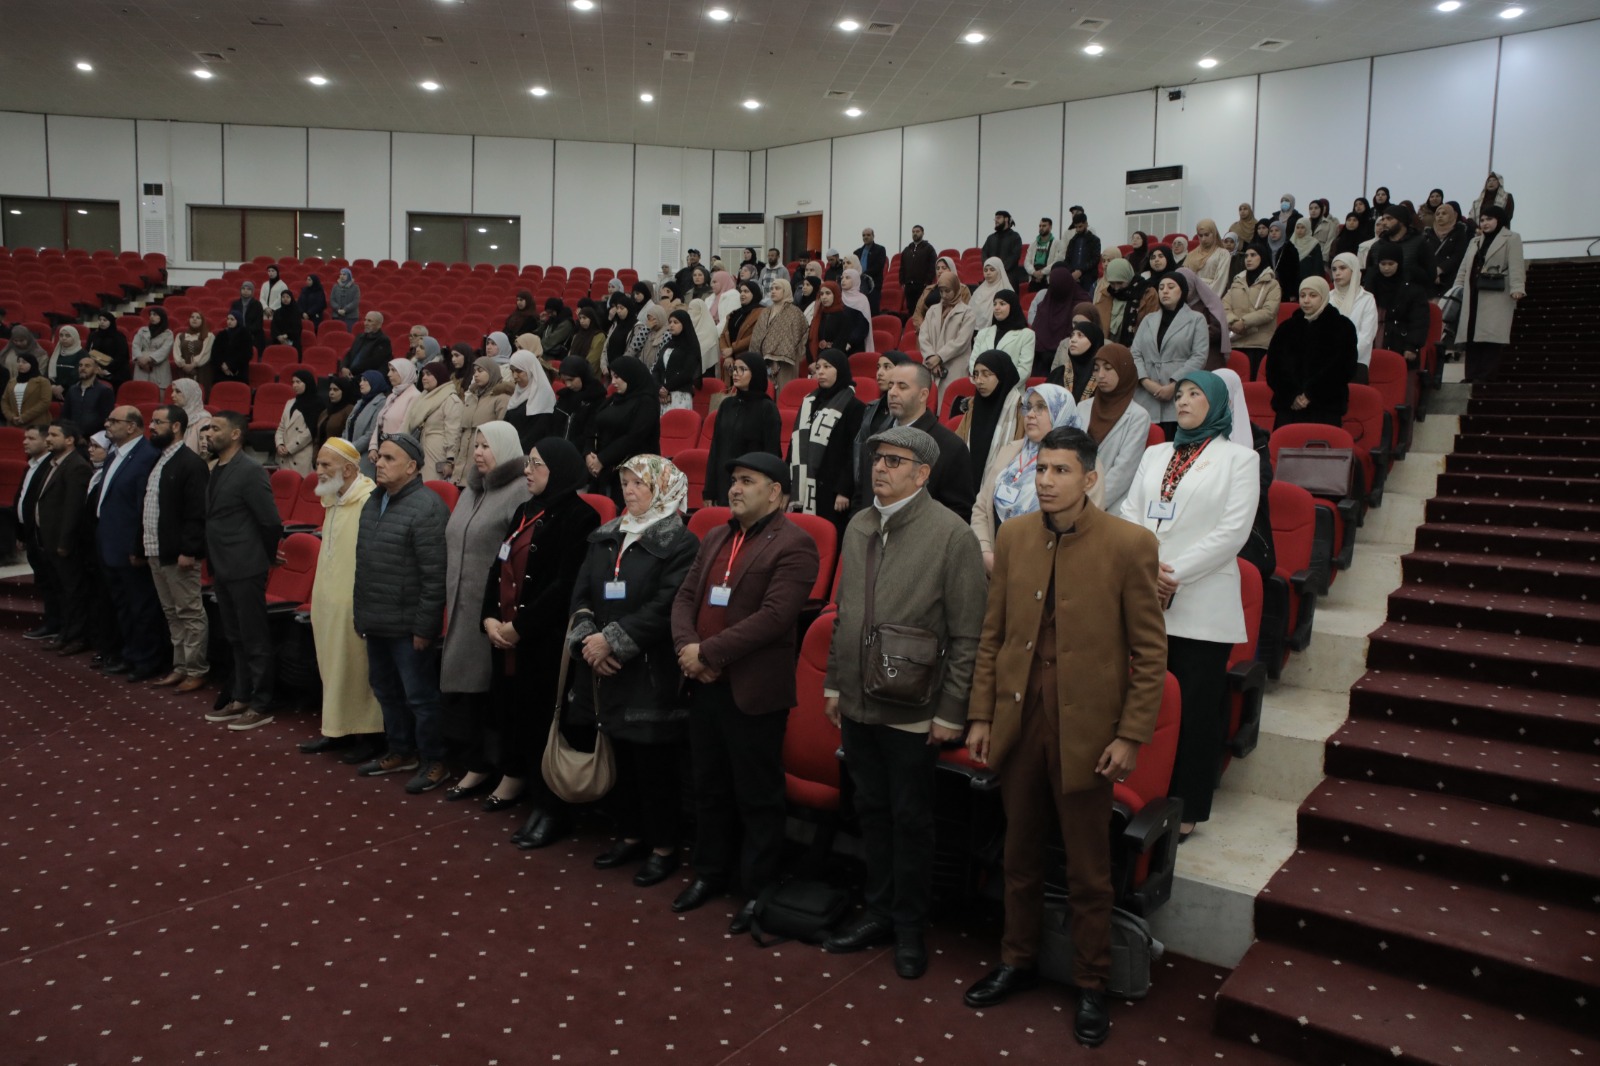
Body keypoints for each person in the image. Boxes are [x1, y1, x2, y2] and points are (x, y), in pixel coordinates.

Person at [963, 425, 1167, 1049]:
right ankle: (1017, 960)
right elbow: (994, 634)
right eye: (1042, 469)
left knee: (1088, 869)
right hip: (1019, 720)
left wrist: (1130, 735)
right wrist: (981, 715)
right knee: (1018, 854)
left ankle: (1092, 983)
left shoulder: (1130, 544)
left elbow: (1150, 654)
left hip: (1088, 731)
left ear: (1090, 477)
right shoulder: (1016, 535)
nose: (1047, 481)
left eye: (1060, 471)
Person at [817, 424, 987, 977]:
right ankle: (878, 912)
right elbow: (844, 613)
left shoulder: (952, 535)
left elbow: (968, 634)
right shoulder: (859, 524)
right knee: (871, 811)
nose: (880, 468)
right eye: (877, 459)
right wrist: (835, 683)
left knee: (911, 819)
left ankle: (910, 928)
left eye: (894, 461)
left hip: (915, 707)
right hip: (858, 701)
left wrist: (951, 710)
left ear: (922, 474)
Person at [670, 453, 818, 929]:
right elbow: (685, 598)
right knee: (709, 787)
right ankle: (710, 872)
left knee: (758, 796)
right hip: (704, 686)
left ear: (775, 493)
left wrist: (708, 654)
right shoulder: (716, 535)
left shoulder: (795, 544)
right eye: (733, 480)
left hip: (752, 692)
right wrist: (688, 649)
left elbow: (774, 618)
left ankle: (757, 890)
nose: (734, 488)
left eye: (747, 481)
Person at [1121, 371, 1258, 839]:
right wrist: (1149, 570)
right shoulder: (1155, 453)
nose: (1182, 401)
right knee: (1141, 703)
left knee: (1195, 709)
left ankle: (1187, 806)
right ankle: (1138, 793)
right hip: (1146, 594)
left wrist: (1172, 574)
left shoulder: (1239, 460)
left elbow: (1232, 533)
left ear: (1216, 403)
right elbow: (1130, 514)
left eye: (1195, 394)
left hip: (1201, 606)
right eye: (1179, 394)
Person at [563, 454, 700, 879]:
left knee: (652, 763)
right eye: (624, 482)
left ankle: (663, 845)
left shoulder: (681, 543)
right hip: (602, 666)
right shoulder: (607, 534)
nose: (629, 490)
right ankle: (629, 835)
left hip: (649, 668)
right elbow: (581, 592)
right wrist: (589, 641)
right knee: (617, 754)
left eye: (639, 483)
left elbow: (667, 604)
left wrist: (614, 642)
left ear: (662, 487)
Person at [481, 438, 604, 848]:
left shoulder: (580, 517)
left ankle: (552, 809)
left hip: (544, 643)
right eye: (528, 463)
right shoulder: (524, 510)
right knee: (515, 716)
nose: (527, 471)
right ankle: (531, 794)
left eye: (536, 464)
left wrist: (520, 627)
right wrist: (489, 618)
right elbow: (498, 568)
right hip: (508, 637)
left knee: (542, 723)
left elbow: (565, 585)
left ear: (559, 469)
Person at [438, 422, 534, 812]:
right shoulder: (471, 489)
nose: (478, 452)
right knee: (468, 694)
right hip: (461, 606)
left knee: (495, 694)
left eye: (486, 446)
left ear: (506, 448)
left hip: (497, 611)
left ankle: (508, 771)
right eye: (475, 445)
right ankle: (477, 764)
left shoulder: (520, 490)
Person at [353, 431, 451, 793]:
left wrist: (425, 628)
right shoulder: (373, 501)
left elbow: (434, 577)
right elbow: (364, 566)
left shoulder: (427, 508)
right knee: (385, 691)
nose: (378, 463)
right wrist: (361, 616)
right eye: (379, 456)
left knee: (420, 698)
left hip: (409, 627)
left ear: (411, 467)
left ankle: (434, 761)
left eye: (389, 458)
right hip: (376, 619)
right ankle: (400, 750)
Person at [299, 439, 386, 763]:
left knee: (357, 669)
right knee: (332, 666)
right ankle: (336, 729)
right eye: (318, 464)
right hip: (327, 600)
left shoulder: (368, 500)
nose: (318, 471)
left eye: (326, 465)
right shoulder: (333, 498)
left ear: (349, 469)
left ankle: (369, 735)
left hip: (354, 602)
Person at [200, 411, 282, 730]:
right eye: (208, 428)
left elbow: (270, 521)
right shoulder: (216, 468)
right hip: (222, 564)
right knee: (235, 637)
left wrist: (267, 555)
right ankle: (241, 696)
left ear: (235, 434)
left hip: (245, 564)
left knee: (254, 638)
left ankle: (261, 703)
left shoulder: (250, 470)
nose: (208, 433)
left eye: (216, 428)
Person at [970, 384, 1081, 571]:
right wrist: (985, 553)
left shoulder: (1080, 464)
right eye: (1028, 407)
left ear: (1061, 412)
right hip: (992, 567)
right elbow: (981, 507)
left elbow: (1078, 531)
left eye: (1041, 407)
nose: (1030, 414)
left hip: (1041, 572)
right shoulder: (1010, 451)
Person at [140, 406, 211, 691]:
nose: (152, 426)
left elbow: (197, 512)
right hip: (155, 549)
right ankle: (180, 666)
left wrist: (189, 550)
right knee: (172, 613)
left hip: (178, 553)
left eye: (158, 422)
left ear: (177, 427)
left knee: (189, 613)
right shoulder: (160, 460)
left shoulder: (190, 463)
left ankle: (196, 669)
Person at [97, 405, 166, 681]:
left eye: (114, 420)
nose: (107, 424)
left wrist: (138, 547)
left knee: (141, 607)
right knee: (123, 605)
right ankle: (129, 654)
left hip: (130, 547)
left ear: (132, 426)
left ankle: (146, 660)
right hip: (110, 543)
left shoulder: (146, 456)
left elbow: (143, 508)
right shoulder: (115, 454)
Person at [33, 419, 95, 657]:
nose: (48, 439)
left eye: (54, 435)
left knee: (73, 592)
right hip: (48, 540)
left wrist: (64, 542)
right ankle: (65, 633)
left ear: (69, 440)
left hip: (64, 543)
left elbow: (73, 509)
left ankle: (77, 636)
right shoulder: (53, 464)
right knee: (62, 591)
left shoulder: (77, 466)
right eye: (48, 434)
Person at [789, 348, 863, 536]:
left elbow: (853, 453)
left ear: (841, 370)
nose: (820, 372)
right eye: (818, 367)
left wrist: (844, 490)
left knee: (826, 538)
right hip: (803, 486)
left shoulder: (854, 407)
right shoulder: (809, 402)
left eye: (827, 367)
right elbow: (795, 444)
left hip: (832, 489)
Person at [1266, 276, 1358, 427]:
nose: (1306, 300)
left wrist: (1311, 394)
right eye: (1302, 295)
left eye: (1313, 295)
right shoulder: (1286, 328)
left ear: (1324, 296)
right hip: (1290, 408)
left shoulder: (1342, 327)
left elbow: (1344, 368)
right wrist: (1292, 395)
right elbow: (1274, 368)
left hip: (1326, 408)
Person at [1130, 273, 1208, 439]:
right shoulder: (1148, 319)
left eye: (1171, 287)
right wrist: (1145, 381)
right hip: (1146, 395)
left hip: (1180, 394)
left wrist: (1174, 385)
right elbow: (1135, 352)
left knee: (1174, 445)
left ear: (1183, 291)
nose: (1165, 291)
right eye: (1161, 288)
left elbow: (1199, 356)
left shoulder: (1196, 319)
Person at [1454, 205, 1526, 384]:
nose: (1485, 223)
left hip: (1496, 294)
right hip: (1473, 293)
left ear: (1499, 220)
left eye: (1489, 219)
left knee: (1491, 335)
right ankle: (1471, 374)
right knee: (1471, 335)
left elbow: (1516, 265)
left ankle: (1485, 376)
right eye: (1482, 220)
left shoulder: (1512, 238)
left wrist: (1517, 288)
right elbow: (1464, 267)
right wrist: (1457, 287)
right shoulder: (1475, 241)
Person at [1077, 343, 1150, 516]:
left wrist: (1088, 504)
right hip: (1073, 495)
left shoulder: (1138, 416)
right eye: (1096, 369)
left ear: (1124, 371)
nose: (1100, 375)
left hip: (1110, 505)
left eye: (1108, 368)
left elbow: (1123, 471)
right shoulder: (1082, 407)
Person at [704, 355, 780, 506]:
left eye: (742, 369)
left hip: (752, 486)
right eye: (734, 369)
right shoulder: (726, 405)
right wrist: (709, 491)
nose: (735, 373)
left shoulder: (767, 408)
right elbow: (715, 449)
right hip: (724, 484)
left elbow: (772, 452)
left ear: (756, 373)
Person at [587, 355, 660, 503]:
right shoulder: (614, 399)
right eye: (612, 377)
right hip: (604, 469)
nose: (613, 382)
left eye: (617, 377)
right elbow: (593, 426)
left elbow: (634, 437)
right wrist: (589, 454)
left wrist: (602, 459)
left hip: (633, 472)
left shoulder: (646, 402)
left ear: (630, 376)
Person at [956, 349, 1024, 487]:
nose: (979, 381)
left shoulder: (1022, 410)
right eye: (976, 375)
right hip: (966, 487)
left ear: (1002, 375)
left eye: (986, 374)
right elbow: (957, 446)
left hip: (1005, 488)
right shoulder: (973, 408)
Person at [1224, 245, 1281, 378]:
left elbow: (1269, 311)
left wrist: (1243, 322)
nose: (1248, 259)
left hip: (1258, 345)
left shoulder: (1272, 284)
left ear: (1262, 257)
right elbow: (1224, 306)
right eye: (1246, 256)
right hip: (1236, 342)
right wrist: (1233, 322)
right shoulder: (1237, 282)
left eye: (1253, 255)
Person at [405, 361, 463, 480]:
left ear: (439, 376)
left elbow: (453, 432)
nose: (424, 378)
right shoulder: (423, 398)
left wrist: (450, 460)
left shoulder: (451, 400)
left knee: (431, 486)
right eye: (423, 374)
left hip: (438, 455)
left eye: (429, 374)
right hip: (420, 451)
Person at [750, 278, 809, 392]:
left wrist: (781, 353)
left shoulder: (795, 313)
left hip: (785, 365)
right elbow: (757, 335)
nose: (773, 291)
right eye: (771, 289)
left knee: (782, 392)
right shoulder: (765, 312)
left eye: (777, 288)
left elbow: (801, 336)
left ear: (786, 290)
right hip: (763, 362)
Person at [969, 289, 1035, 385]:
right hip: (982, 388)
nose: (996, 307)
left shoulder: (1027, 335)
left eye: (1002, 304)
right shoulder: (983, 333)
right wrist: (983, 380)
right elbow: (973, 362)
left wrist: (999, 386)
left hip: (1011, 390)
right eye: (994, 304)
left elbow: (1024, 370)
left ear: (1012, 306)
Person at [919, 272, 975, 384]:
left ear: (956, 288)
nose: (944, 295)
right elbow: (923, 336)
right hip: (931, 366)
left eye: (947, 291)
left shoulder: (967, 312)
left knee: (951, 394)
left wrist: (939, 357)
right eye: (941, 291)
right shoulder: (932, 310)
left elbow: (962, 341)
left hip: (954, 366)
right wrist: (931, 356)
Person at [1329, 252, 1379, 376]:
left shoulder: (1366, 299)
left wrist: (1342, 357)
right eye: (1334, 269)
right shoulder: (1327, 298)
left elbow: (1366, 337)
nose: (1337, 273)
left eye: (1342, 268)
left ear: (1354, 270)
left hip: (1355, 363)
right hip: (1326, 363)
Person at [553, 354, 607, 457]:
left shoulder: (596, 398)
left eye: (571, 380)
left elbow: (591, 432)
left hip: (579, 455)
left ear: (583, 375)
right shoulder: (564, 396)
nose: (568, 385)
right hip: (557, 450)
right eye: (565, 381)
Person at [653, 309, 701, 412]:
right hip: (663, 397)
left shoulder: (691, 346)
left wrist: (667, 388)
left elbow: (687, 373)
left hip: (680, 395)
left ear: (684, 324)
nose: (671, 325)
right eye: (670, 322)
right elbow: (657, 369)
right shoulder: (667, 345)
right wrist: (659, 388)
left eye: (675, 322)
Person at [274, 369, 321, 475]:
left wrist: (290, 448)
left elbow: (310, 432)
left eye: (298, 382)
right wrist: (279, 444)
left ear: (307, 383)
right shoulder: (290, 403)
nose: (294, 385)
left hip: (301, 455)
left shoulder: (316, 403)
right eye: (293, 382)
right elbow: (281, 427)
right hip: (285, 455)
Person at [1423, 200, 1472, 297]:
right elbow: (1423, 256)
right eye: (1437, 214)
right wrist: (1432, 272)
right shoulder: (1428, 234)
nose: (1440, 216)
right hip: (1430, 281)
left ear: (1452, 215)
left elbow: (1458, 255)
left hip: (1450, 279)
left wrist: (1440, 269)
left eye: (1444, 213)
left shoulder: (1459, 232)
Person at [1091, 258, 1139, 348]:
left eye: (1120, 283)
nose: (1116, 288)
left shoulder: (1144, 294)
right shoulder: (1106, 294)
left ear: (1128, 278)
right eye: (1112, 283)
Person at [1049, 319, 1102, 400]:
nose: (1073, 340)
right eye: (1072, 336)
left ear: (1094, 341)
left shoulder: (1102, 377)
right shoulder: (1058, 374)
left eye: (1080, 335)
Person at [62, 354, 114, 435]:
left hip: (95, 436)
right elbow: (65, 415)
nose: (82, 368)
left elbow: (105, 418)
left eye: (87, 366)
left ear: (96, 370)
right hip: (73, 435)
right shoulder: (72, 390)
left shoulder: (105, 391)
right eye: (80, 365)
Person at [3, 350, 51, 428]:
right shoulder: (12, 382)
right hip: (14, 423)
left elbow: (45, 402)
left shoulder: (42, 382)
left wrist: (25, 417)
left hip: (36, 423)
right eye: (18, 362)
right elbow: (4, 401)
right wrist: (11, 416)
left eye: (24, 362)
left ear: (32, 364)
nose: (20, 364)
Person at [1184, 220, 1230, 296]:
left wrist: (1207, 297)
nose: (1203, 239)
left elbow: (1221, 280)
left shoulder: (1223, 254)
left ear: (1214, 234)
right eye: (1200, 235)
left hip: (1211, 295)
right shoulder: (1191, 255)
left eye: (1206, 235)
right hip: (1191, 295)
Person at [86, 313, 132, 388]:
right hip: (96, 369)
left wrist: (107, 369)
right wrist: (97, 368)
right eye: (100, 320)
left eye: (105, 320)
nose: (101, 322)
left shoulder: (119, 337)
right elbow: (88, 351)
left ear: (111, 322)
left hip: (115, 371)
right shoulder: (93, 335)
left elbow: (121, 356)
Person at [898, 225, 937, 314]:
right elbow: (902, 267)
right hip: (909, 286)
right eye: (913, 232)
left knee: (922, 310)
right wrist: (902, 282)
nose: (915, 233)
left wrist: (927, 282)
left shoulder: (929, 248)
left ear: (923, 233)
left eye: (917, 231)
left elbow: (933, 266)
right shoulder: (907, 250)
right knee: (911, 311)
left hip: (922, 286)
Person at [131, 307, 174, 388]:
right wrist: (140, 358)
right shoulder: (142, 330)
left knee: (158, 391)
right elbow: (135, 345)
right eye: (150, 314)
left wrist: (149, 359)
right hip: (141, 365)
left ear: (161, 317)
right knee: (141, 390)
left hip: (158, 366)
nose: (151, 317)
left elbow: (164, 350)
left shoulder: (168, 333)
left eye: (155, 314)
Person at [1062, 213, 1102, 298]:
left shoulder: (1095, 240)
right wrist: (1072, 273)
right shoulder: (1072, 241)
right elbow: (1067, 260)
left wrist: (1080, 271)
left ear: (1086, 224)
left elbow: (1095, 259)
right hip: (1073, 278)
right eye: (1076, 227)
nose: (1078, 229)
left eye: (1080, 227)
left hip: (1089, 278)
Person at [983, 210, 1026, 288]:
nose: (996, 221)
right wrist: (990, 269)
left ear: (1006, 219)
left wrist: (1000, 270)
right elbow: (984, 254)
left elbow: (1015, 256)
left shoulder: (1015, 237)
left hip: (1009, 278)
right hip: (991, 278)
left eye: (999, 218)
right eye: (995, 219)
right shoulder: (991, 238)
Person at [171, 312, 214, 391]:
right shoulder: (180, 336)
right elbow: (176, 353)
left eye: (198, 318)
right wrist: (183, 365)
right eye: (192, 317)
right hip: (184, 371)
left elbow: (205, 353)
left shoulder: (209, 336)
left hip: (202, 372)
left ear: (202, 321)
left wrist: (193, 364)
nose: (194, 319)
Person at [344, 312, 394, 378]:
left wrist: (352, 371)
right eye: (365, 320)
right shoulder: (360, 337)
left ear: (379, 325)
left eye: (369, 321)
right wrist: (344, 367)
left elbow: (373, 363)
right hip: (351, 374)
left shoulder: (383, 341)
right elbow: (349, 354)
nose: (365, 323)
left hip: (367, 377)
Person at [211, 312, 254, 385]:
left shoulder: (245, 334)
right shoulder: (222, 334)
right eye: (228, 319)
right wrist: (222, 365)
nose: (229, 321)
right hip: (221, 372)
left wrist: (229, 365)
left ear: (238, 320)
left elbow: (247, 354)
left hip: (239, 372)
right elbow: (215, 352)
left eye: (232, 319)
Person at [967, 257, 1008, 332]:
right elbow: (969, 313)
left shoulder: (1006, 291)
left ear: (999, 271)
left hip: (998, 331)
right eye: (985, 270)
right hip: (974, 332)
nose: (988, 273)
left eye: (992, 270)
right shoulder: (978, 291)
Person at [1026, 217, 1066, 292]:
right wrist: (1034, 273)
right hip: (1034, 278)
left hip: (1048, 279)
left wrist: (1042, 272)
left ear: (1050, 227)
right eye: (1040, 226)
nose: (1041, 228)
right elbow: (1027, 262)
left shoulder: (1057, 243)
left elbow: (1057, 261)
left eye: (1044, 226)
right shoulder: (1033, 244)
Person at [838, 269, 875, 350]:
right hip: (838, 342)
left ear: (855, 280)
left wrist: (850, 342)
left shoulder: (862, 300)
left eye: (847, 278)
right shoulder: (838, 298)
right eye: (842, 278)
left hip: (854, 346)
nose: (843, 280)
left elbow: (863, 326)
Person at [1265, 220, 1301, 300]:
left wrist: (1293, 293)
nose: (1273, 233)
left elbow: (1295, 273)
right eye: (1271, 231)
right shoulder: (1265, 249)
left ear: (1282, 231)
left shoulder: (1290, 249)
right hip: (1268, 287)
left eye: (1277, 230)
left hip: (1286, 288)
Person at [854, 229, 888, 313]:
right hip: (859, 285)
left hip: (874, 285)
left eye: (868, 235)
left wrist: (863, 274)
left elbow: (879, 266)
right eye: (864, 235)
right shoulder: (857, 252)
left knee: (873, 310)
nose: (866, 237)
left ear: (873, 236)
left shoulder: (880, 249)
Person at [315, 376, 354, 448]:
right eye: (330, 389)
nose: (331, 393)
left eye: (335, 390)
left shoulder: (349, 410)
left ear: (344, 391)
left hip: (338, 451)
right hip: (321, 452)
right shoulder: (326, 411)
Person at [566, 304, 605, 373]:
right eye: (580, 318)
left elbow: (593, 360)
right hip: (572, 372)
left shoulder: (599, 336)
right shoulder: (577, 335)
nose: (581, 321)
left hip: (588, 374)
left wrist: (577, 372)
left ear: (591, 319)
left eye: (584, 318)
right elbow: (570, 354)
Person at [230, 282, 266, 356]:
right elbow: (231, 319)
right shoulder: (235, 304)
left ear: (252, 291)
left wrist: (245, 332)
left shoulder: (257, 305)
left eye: (248, 289)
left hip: (253, 334)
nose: (245, 291)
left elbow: (258, 324)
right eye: (243, 289)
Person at [1289, 218, 1324, 283]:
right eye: (1297, 227)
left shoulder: (1314, 244)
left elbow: (1317, 266)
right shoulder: (1291, 243)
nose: (1299, 230)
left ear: (1307, 228)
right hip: (1292, 280)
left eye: (1302, 227)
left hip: (1309, 280)